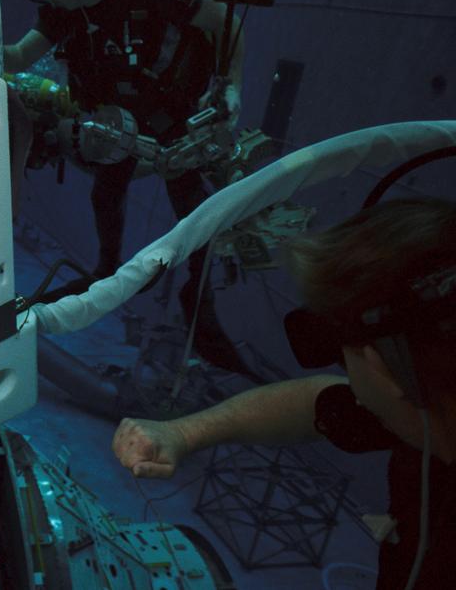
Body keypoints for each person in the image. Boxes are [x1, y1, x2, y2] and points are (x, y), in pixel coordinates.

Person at [111, 198, 456, 589]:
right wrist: (183, 433)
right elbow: (317, 402)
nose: (354, 390)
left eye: (341, 352)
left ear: (378, 364)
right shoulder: (425, 407)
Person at [4, 0, 246, 373]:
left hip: (173, 120)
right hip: (116, 123)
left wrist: (231, 86)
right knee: (106, 196)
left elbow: (225, 22)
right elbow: (18, 56)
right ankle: (107, 270)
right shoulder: (64, 13)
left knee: (193, 213)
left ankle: (199, 300)